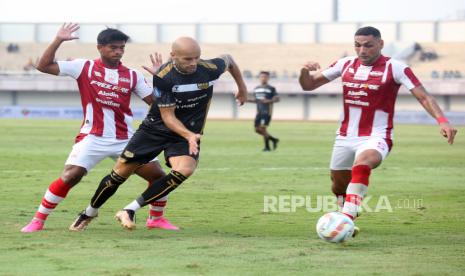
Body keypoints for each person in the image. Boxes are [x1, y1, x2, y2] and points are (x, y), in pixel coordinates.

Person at [299, 26, 457, 236]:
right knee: (338, 187)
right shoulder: (344, 64)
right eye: (357, 45)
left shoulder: (396, 67)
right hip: (345, 136)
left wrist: (442, 121)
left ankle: (346, 218)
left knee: (362, 164)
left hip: (377, 136)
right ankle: (346, 211)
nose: (362, 50)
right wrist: (303, 71)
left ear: (380, 44)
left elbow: (424, 96)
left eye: (368, 45)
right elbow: (308, 85)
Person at [21, 23, 178, 233]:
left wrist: (161, 79)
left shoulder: (132, 76)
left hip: (126, 139)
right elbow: (43, 65)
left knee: (158, 177)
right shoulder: (83, 67)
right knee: (70, 176)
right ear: (100, 47)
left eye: (122, 48)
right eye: (113, 47)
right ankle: (38, 220)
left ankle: (155, 219)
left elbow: (157, 104)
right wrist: (58, 39)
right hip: (93, 136)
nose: (118, 51)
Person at [84, 37, 247, 230]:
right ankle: (88, 213)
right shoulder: (164, 76)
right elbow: (168, 118)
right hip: (155, 130)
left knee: (184, 169)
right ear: (173, 56)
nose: (193, 63)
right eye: (187, 59)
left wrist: (242, 88)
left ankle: (129, 210)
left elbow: (229, 59)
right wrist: (189, 136)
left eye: (196, 57)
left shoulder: (209, 68)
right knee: (120, 174)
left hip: (185, 134)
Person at [247, 71, 280, 151]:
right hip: (259, 112)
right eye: (262, 77)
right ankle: (274, 140)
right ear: (259, 78)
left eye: (265, 77)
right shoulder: (256, 89)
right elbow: (256, 100)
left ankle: (267, 147)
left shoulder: (271, 88)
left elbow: (277, 99)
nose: (263, 78)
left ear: (268, 78)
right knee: (257, 130)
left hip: (267, 112)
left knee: (263, 129)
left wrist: (268, 101)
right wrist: (247, 100)